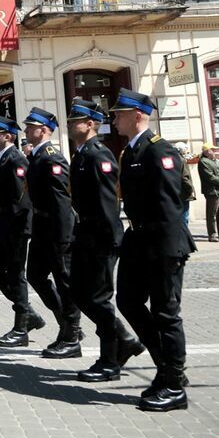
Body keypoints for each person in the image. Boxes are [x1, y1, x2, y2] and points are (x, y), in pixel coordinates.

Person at [111, 89, 196, 411]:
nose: (114, 119)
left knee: (166, 314)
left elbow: (169, 203)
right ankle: (166, 366)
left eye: (119, 114)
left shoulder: (159, 151)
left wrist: (164, 249)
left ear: (137, 116)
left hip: (162, 242)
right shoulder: (132, 151)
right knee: (128, 301)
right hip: (140, 238)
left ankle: (174, 384)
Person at [65, 98, 144, 383]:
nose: (71, 124)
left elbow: (108, 203)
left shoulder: (99, 155)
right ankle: (123, 338)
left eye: (76, 120)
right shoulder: (82, 153)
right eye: (71, 120)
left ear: (90, 124)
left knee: (99, 298)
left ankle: (110, 359)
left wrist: (110, 242)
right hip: (85, 235)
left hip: (100, 238)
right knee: (79, 294)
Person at [23, 106, 81, 359]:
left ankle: (72, 334)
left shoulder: (51, 157)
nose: (25, 130)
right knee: (35, 275)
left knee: (65, 283)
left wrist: (63, 237)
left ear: (43, 130)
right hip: (41, 227)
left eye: (30, 127)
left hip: (56, 230)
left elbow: (61, 201)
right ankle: (65, 322)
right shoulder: (37, 156)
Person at [0, 116, 44, 348]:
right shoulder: (3, 159)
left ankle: (22, 327)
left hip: (15, 225)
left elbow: (22, 198)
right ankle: (27, 312)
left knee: (16, 274)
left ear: (8, 136)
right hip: (3, 222)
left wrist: (21, 230)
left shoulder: (15, 159)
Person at [198, 143, 219, 243]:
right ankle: (212, 234)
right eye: (212, 150)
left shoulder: (213, 161)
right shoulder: (203, 162)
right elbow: (210, 176)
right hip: (212, 191)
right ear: (207, 151)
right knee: (212, 213)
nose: (215, 151)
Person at [175, 142, 196, 225]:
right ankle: (184, 235)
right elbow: (185, 177)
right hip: (183, 192)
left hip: (176, 191)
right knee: (184, 215)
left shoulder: (172, 158)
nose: (186, 151)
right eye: (185, 150)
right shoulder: (181, 160)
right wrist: (191, 189)